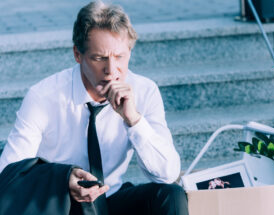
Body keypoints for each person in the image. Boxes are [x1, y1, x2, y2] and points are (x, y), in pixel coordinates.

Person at [0, 1, 188, 214]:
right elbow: (8, 174)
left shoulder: (145, 91)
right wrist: (63, 180)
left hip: (111, 197)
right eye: (99, 58)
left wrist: (134, 120)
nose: (111, 70)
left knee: (170, 195)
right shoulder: (44, 97)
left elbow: (168, 174)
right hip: (64, 204)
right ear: (77, 54)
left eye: (119, 57)